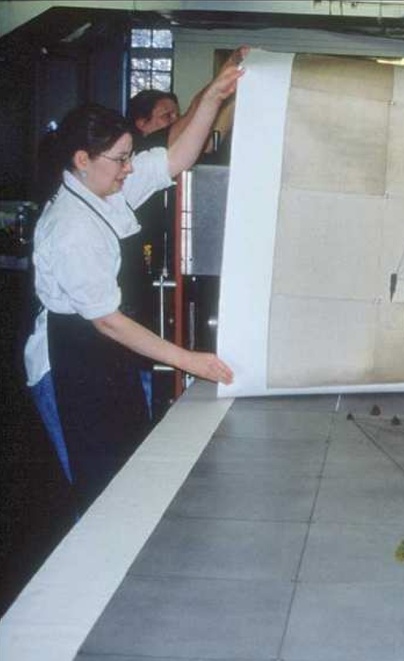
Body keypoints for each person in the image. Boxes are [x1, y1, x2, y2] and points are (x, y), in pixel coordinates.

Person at [24, 52, 244, 511]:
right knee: (96, 488)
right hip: (72, 363)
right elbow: (106, 322)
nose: (129, 168)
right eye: (121, 159)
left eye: (129, 157)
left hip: (113, 356)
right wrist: (189, 361)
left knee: (128, 473)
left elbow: (178, 156)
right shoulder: (70, 229)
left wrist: (215, 97)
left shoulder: (107, 189)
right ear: (83, 159)